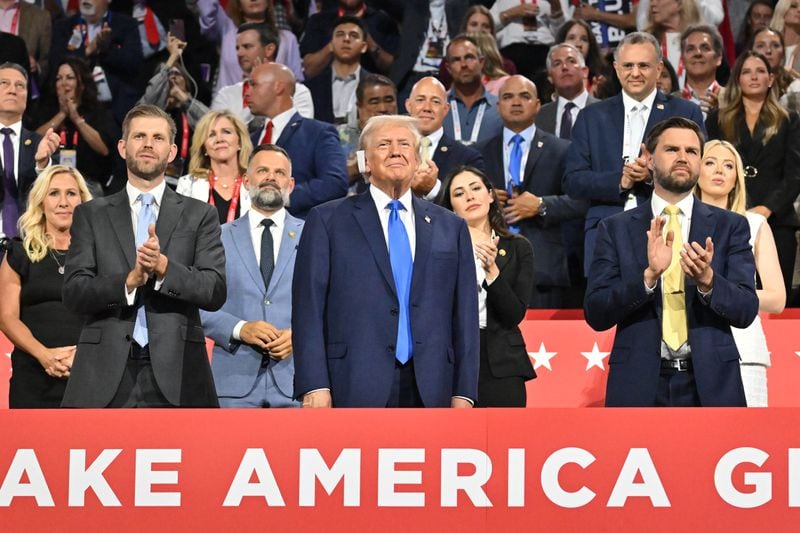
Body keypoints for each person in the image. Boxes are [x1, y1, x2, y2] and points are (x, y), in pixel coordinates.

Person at [292, 114, 479, 408]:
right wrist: (314, 383)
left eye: (405, 144)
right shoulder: (327, 220)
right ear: (366, 162)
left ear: (417, 160)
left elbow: (465, 315)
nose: (396, 150)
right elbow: (309, 308)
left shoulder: (451, 226)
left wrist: (464, 392)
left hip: (433, 386)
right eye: (383, 144)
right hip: (353, 382)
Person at [585, 116, 759, 407]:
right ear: (649, 159)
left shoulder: (731, 226)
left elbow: (746, 310)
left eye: (691, 152)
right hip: (638, 384)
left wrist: (708, 281)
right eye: (672, 150)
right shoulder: (615, 228)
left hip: (712, 385)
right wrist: (647, 278)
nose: (683, 158)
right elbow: (596, 312)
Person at [61, 104, 226, 408]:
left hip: (178, 373)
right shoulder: (90, 214)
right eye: (139, 136)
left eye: (158, 138)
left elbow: (214, 290)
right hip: (104, 372)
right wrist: (129, 280)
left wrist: (163, 268)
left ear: (173, 151)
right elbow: (74, 292)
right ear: (123, 147)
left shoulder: (200, 215)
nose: (148, 144)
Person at [564, 32, 706, 276]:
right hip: (604, 233)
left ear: (659, 68)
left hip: (668, 229)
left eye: (644, 65)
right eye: (628, 65)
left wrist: (652, 176)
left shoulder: (685, 112)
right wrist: (621, 180)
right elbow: (573, 181)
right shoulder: (591, 117)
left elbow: (697, 171)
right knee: (607, 311)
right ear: (617, 69)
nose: (635, 73)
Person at [201, 144, 302, 408]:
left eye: (279, 172)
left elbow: (333, 304)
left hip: (296, 385)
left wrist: (300, 334)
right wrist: (239, 328)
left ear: (290, 184)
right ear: (246, 181)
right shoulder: (216, 238)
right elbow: (197, 303)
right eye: (263, 170)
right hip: (232, 388)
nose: (271, 177)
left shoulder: (315, 235)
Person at [479, 75, 586, 308]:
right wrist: (483, 198)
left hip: (544, 269)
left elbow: (581, 202)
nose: (516, 102)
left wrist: (541, 204)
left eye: (524, 96)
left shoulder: (563, 149)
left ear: (538, 105)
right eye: (508, 97)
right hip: (487, 265)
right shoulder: (479, 152)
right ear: (498, 106)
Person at [705, 51, 800, 307]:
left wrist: (764, 210)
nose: (754, 77)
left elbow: (794, 175)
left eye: (760, 71)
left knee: (777, 297)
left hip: (777, 220)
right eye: (746, 72)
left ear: (771, 79)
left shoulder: (789, 120)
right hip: (727, 216)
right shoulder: (717, 119)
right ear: (737, 79)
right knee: (729, 290)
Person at [695, 139, 785, 406]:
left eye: (728, 165)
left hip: (746, 351)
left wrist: (722, 291)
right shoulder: (676, 222)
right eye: (710, 163)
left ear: (737, 179)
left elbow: (777, 299)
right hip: (689, 352)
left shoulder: (755, 224)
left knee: (747, 440)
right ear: (695, 171)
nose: (719, 171)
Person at [439, 165, 534, 406]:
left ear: (490, 195)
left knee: (506, 440)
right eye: (459, 194)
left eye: (476, 188)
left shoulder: (518, 247)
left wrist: (492, 270)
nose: (470, 196)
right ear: (451, 208)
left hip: (501, 361)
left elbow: (513, 314)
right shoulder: (439, 251)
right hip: (451, 357)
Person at [0, 166, 92, 408]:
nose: (63, 202)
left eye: (71, 193)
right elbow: (7, 317)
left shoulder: (99, 255)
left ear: (83, 201)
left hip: (89, 374)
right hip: (32, 376)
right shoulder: (19, 252)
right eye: (54, 194)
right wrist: (44, 356)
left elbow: (112, 314)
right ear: (40, 202)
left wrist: (81, 355)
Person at [247, 62, 348, 218]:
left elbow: (334, 183)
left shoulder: (318, 132)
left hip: (301, 231)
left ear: (278, 87)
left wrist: (278, 196)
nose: (247, 92)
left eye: (254, 85)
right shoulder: (250, 138)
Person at [32, 57, 117, 196]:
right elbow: (34, 141)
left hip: (88, 183)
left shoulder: (96, 110)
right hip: (50, 182)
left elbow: (104, 149)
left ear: (82, 84)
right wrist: (61, 115)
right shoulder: (46, 109)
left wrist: (76, 118)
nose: (63, 83)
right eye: (59, 78)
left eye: (70, 78)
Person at [50, 0, 143, 126]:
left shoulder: (126, 25)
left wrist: (106, 49)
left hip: (117, 108)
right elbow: (56, 63)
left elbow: (134, 64)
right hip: (77, 106)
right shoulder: (63, 26)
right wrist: (87, 50)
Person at [137, 33, 211, 182]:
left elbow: (212, 123)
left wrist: (183, 97)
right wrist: (171, 59)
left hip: (191, 181)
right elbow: (149, 97)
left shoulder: (191, 111)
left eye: (177, 74)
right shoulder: (153, 111)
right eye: (167, 75)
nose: (172, 78)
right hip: (153, 179)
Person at [0, 62, 60, 241]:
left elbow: (57, 193)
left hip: (30, 245)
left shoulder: (41, 145)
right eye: (4, 83)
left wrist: (42, 165)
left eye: (20, 86)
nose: (13, 90)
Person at [197, 0, 303, 95]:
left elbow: (295, 84)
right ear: (238, 4)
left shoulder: (287, 39)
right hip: (228, 111)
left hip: (271, 113)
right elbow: (207, 9)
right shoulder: (227, 29)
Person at [404, 76, 484, 200]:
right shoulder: (391, 151)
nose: (427, 108)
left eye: (435, 101)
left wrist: (433, 188)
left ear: (446, 109)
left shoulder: (467, 158)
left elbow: (472, 202)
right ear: (408, 105)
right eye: (420, 100)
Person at [177, 110, 253, 224]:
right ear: (204, 148)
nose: (219, 139)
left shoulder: (255, 184)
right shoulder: (188, 185)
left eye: (226, 132)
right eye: (211, 135)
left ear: (240, 142)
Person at [300, 0, 398, 78]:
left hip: (370, 92)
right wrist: (332, 45)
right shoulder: (318, 21)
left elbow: (395, 69)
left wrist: (368, 40)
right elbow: (309, 71)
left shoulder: (382, 21)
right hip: (327, 92)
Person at [304, 16, 371, 126]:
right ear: (331, 43)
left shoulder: (375, 84)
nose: (346, 39)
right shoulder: (311, 87)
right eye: (340, 34)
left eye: (354, 35)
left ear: (363, 47)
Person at [442, 34, 503, 146]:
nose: (464, 64)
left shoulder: (500, 108)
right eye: (456, 60)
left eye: (469, 57)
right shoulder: (438, 107)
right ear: (448, 68)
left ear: (481, 62)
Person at [536, 43, 599, 140]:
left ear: (584, 72)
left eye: (571, 61)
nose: (564, 67)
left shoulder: (606, 112)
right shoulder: (539, 116)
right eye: (557, 63)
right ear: (550, 78)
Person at [490, 0, 566, 79]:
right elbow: (486, 24)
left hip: (544, 52)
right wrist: (509, 13)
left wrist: (556, 8)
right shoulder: (503, 2)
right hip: (512, 53)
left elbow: (562, 34)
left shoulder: (554, 2)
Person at [678, 24, 724, 117]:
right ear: (682, 60)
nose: (697, 53)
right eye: (690, 49)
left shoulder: (734, 100)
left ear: (719, 58)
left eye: (705, 48)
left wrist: (719, 115)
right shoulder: (670, 103)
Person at [554, 20, 608, 97]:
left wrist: (593, 100)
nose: (578, 44)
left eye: (584, 39)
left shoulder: (601, 79)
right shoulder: (547, 80)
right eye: (571, 38)